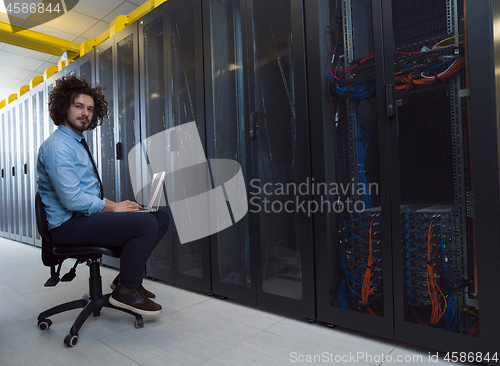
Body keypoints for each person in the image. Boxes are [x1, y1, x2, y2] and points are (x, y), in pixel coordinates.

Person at [37, 75, 169, 316]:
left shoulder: (76, 142)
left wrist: (119, 205)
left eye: (90, 108)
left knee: (158, 218)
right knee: (146, 224)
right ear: (64, 106)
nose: (85, 113)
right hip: (68, 226)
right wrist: (114, 208)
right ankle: (126, 291)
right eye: (78, 106)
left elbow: (87, 195)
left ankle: (127, 279)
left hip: (81, 218)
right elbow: (71, 200)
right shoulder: (58, 146)